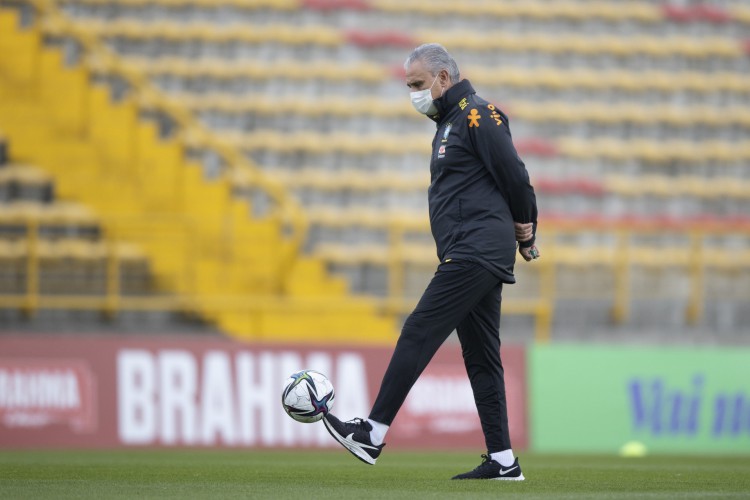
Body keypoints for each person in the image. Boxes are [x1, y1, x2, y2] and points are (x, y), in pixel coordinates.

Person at [322, 43, 539, 481]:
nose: (414, 94)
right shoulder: (450, 122)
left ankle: (372, 432)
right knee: (481, 356)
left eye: (418, 85)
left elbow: (514, 174)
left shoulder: (479, 115)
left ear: (444, 78)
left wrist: (527, 225)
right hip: (471, 248)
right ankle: (502, 461)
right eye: (409, 87)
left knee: (420, 329)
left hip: (475, 249)